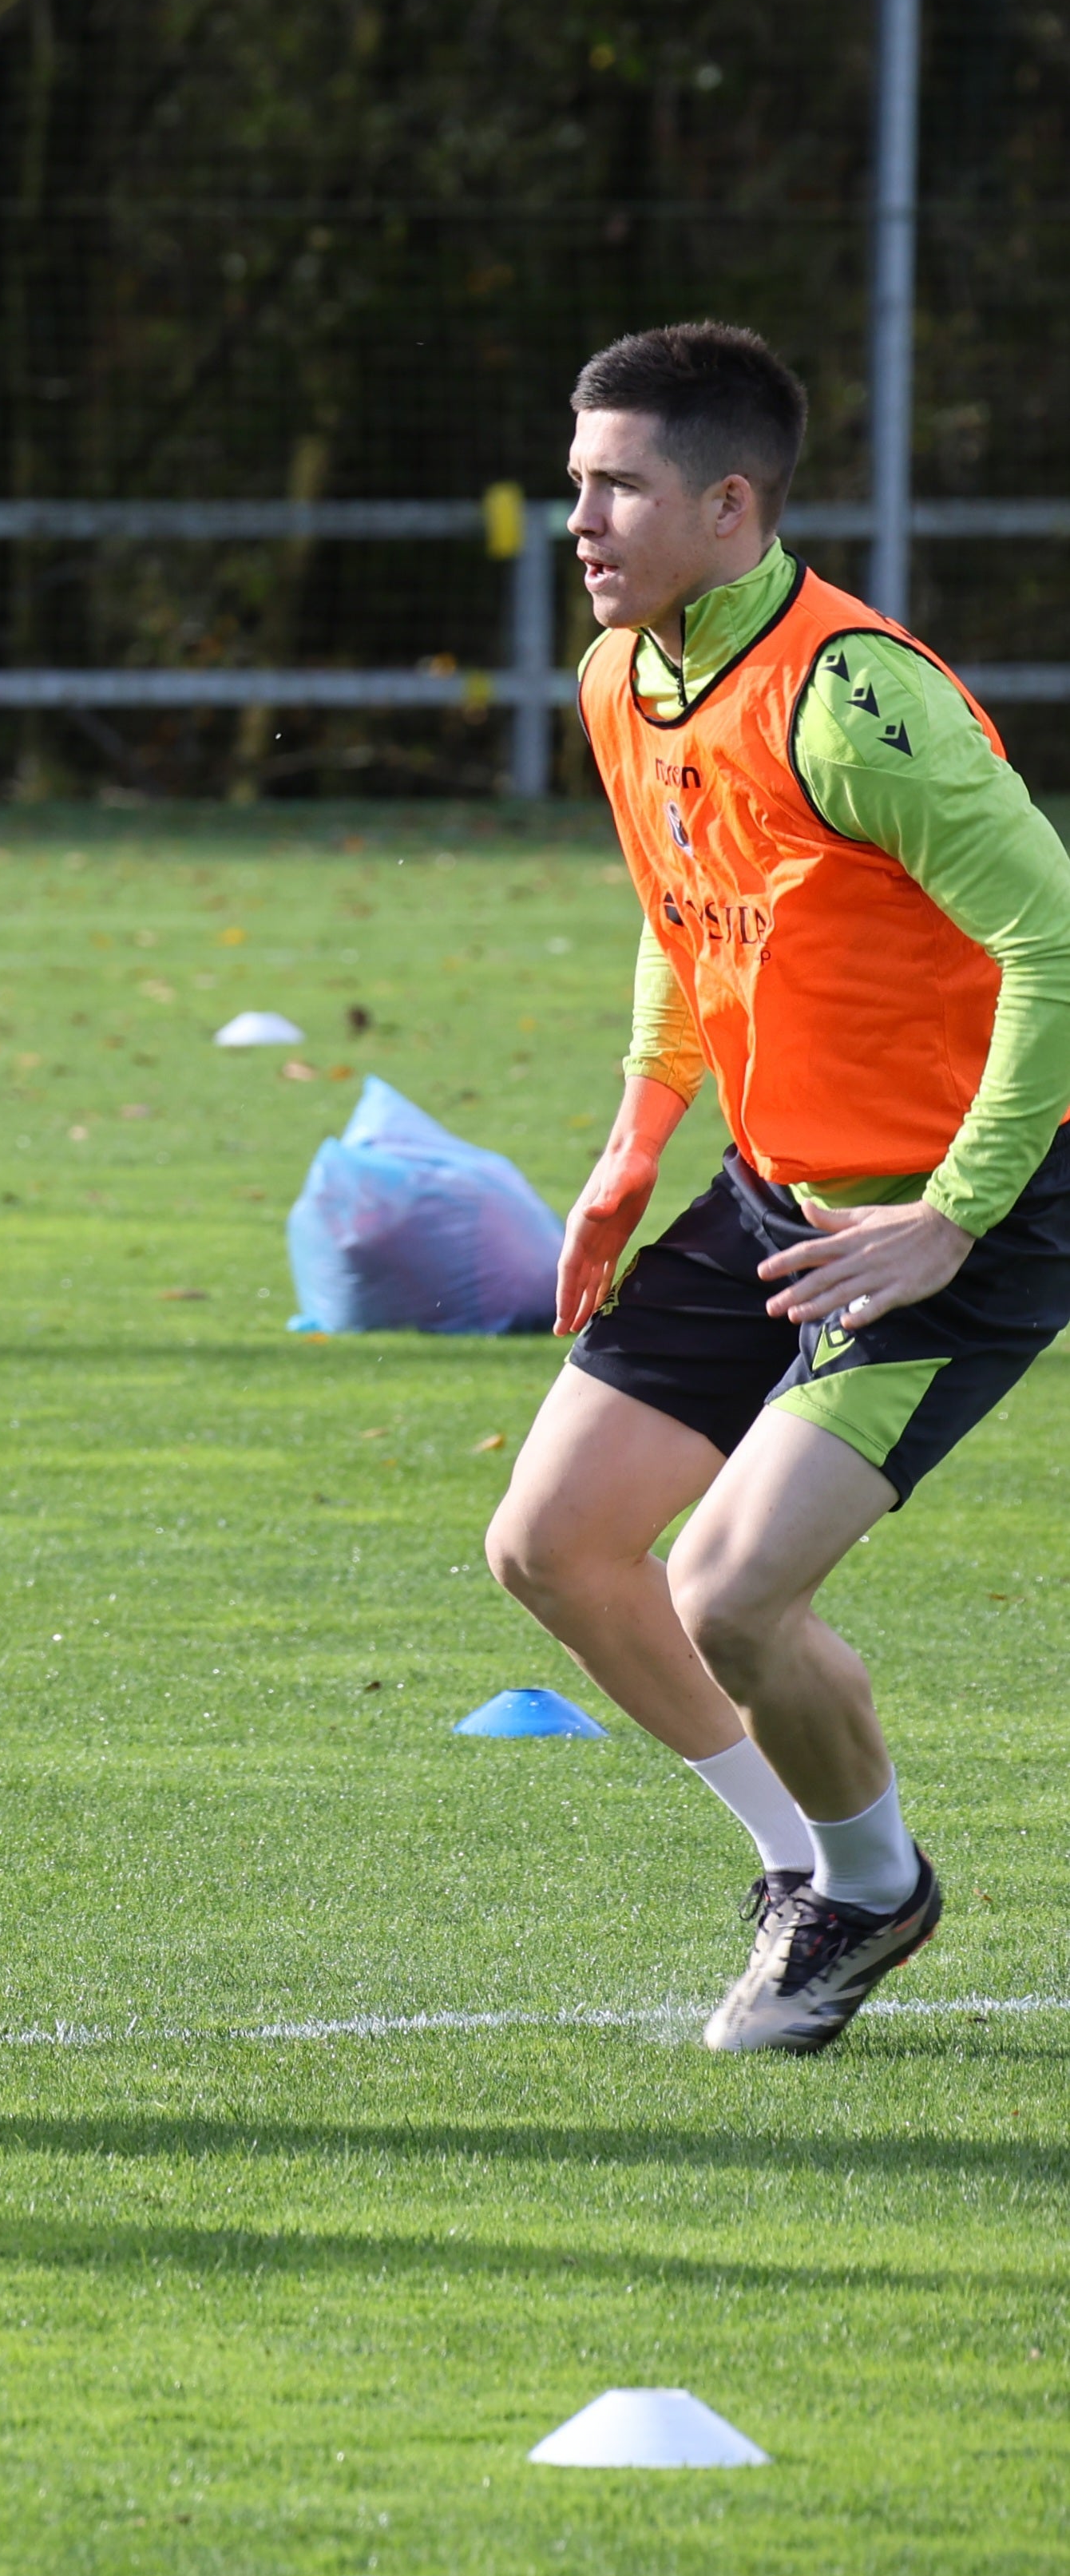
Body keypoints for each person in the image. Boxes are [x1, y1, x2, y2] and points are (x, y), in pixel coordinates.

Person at [485, 319, 1070, 2053]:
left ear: (730, 503)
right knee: (555, 1547)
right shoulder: (625, 676)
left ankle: (868, 1884)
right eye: (573, 482)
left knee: (727, 1591)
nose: (575, 520)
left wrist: (955, 1210)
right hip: (775, 1189)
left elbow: (1048, 936)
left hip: (960, 1205)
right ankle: (819, 1880)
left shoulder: (854, 699)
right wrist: (628, 1139)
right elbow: (689, 913)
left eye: (616, 488)